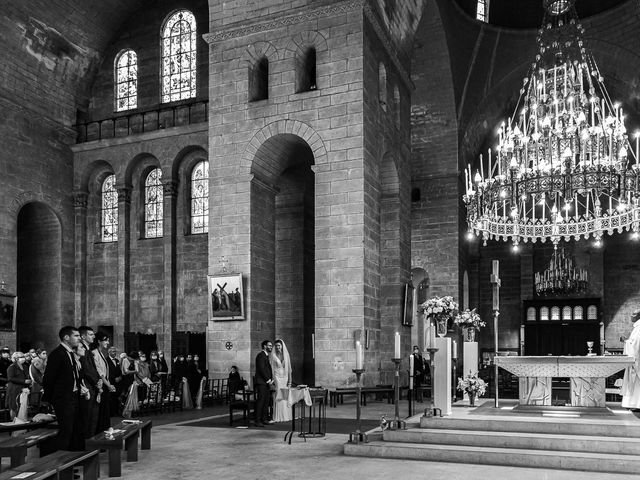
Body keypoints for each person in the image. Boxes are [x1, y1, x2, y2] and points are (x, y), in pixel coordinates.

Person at [42, 326, 85, 451]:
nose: (79, 338)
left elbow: (72, 375)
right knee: (66, 431)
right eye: (76, 336)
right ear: (66, 337)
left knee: (76, 430)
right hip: (63, 399)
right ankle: (61, 462)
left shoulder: (69, 353)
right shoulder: (57, 354)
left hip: (74, 396)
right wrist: (50, 399)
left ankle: (73, 460)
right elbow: (49, 379)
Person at [78, 326, 101, 438]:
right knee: (88, 417)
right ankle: (87, 443)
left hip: (93, 386)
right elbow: (87, 370)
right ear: (83, 336)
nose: (94, 336)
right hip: (88, 386)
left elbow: (93, 369)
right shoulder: (82, 350)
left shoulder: (87, 350)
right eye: (91, 334)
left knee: (93, 417)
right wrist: (98, 383)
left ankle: (91, 441)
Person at [93, 333, 115, 432]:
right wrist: (108, 385)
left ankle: (105, 427)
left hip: (105, 384)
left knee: (106, 409)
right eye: (105, 340)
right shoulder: (94, 353)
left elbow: (105, 372)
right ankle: (101, 430)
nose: (108, 342)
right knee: (102, 410)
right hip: (101, 384)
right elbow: (100, 373)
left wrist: (109, 384)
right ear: (99, 341)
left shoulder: (101, 352)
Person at [269, 339, 292, 422]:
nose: (278, 347)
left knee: (285, 395)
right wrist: (272, 380)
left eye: (279, 345)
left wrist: (290, 381)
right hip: (277, 376)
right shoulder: (273, 355)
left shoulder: (286, 355)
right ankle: (278, 416)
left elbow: (289, 369)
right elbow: (271, 368)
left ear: (282, 346)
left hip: (285, 377)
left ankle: (285, 415)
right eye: (277, 346)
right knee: (279, 394)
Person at [254, 340, 274, 427]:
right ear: (264, 346)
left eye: (271, 345)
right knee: (261, 401)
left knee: (266, 401)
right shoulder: (261, 356)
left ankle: (264, 419)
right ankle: (257, 421)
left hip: (265, 383)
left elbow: (267, 369)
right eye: (269, 345)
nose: (271, 347)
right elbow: (261, 369)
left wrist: (271, 379)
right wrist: (268, 380)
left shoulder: (265, 356)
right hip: (261, 383)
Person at [622, 310, 640, 409]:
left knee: (636, 382)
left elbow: (636, 345)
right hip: (635, 358)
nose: (631, 315)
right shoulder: (637, 327)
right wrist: (627, 341)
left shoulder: (639, 327)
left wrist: (626, 341)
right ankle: (634, 404)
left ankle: (636, 404)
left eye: (634, 314)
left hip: (637, 359)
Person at [6, 351, 31, 419]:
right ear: (16, 358)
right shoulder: (12, 367)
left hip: (22, 389)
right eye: (21, 357)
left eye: (23, 357)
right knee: (14, 405)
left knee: (22, 405)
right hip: (14, 389)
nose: (23, 358)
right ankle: (13, 420)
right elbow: (10, 378)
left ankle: (21, 419)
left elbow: (26, 376)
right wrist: (23, 381)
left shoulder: (25, 366)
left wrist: (28, 381)